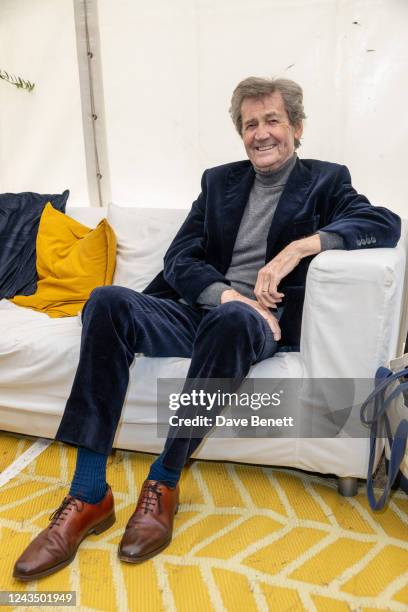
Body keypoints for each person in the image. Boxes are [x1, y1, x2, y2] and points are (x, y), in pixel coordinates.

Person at [13, 77, 400, 580]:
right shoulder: (219, 181)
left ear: (297, 128)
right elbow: (181, 258)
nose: (261, 133)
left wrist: (300, 248)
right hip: (206, 308)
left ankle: (164, 481)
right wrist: (228, 293)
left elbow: (384, 222)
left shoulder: (327, 181)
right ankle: (89, 494)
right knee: (107, 302)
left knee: (235, 320)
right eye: (250, 124)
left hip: (260, 325)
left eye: (273, 120)